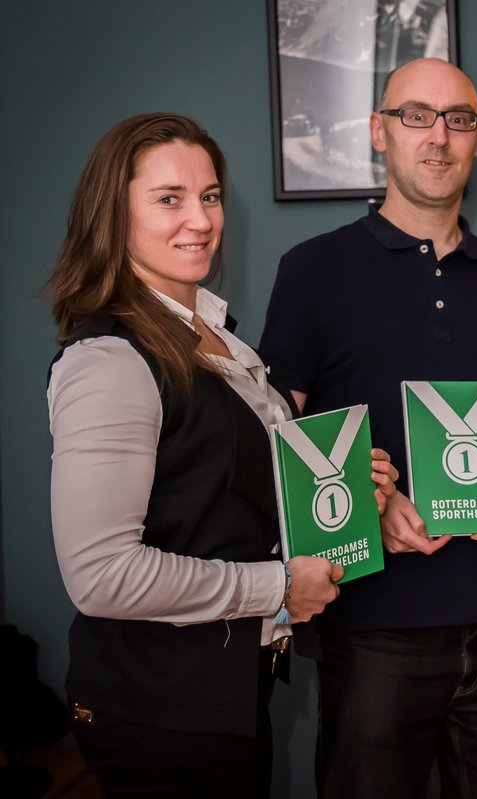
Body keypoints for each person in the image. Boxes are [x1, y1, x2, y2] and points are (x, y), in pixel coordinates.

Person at [45, 113, 399, 798]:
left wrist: (342, 491)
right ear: (113, 215)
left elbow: (220, 496)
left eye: (209, 196)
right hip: (157, 710)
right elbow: (100, 575)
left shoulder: (217, 337)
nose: (201, 220)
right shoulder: (110, 360)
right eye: (169, 198)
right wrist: (279, 587)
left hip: (222, 698)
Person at [258, 58, 477, 798]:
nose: (439, 136)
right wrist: (361, 495)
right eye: (417, 116)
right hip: (375, 627)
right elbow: (277, 435)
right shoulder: (312, 270)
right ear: (380, 132)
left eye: (458, 120)